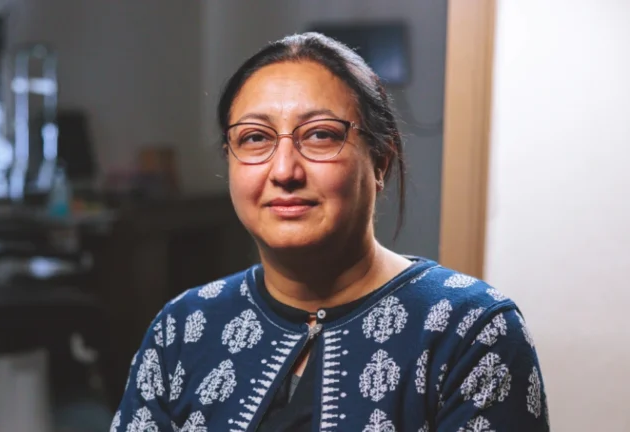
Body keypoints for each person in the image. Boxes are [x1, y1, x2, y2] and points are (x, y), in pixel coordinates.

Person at [110, 32, 549, 432]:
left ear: (380, 161)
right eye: (255, 138)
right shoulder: (184, 328)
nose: (284, 170)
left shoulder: (470, 332)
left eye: (320, 135)